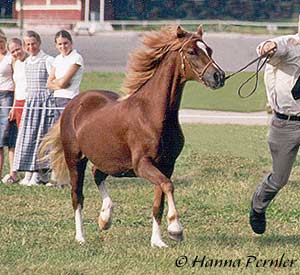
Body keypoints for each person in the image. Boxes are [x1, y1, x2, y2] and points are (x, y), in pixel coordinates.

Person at [249, 31, 300, 234]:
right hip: (286, 124)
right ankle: (258, 205)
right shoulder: (290, 44)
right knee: (279, 178)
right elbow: (271, 46)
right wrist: (266, 47)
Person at [13, 30, 54, 186]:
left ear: (39, 43)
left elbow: (52, 83)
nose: (31, 47)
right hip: (31, 103)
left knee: (40, 138)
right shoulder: (27, 62)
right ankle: (29, 173)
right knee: (28, 138)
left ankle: (39, 174)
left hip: (43, 104)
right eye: (28, 44)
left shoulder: (47, 60)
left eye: (33, 43)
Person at [7, 37, 31, 185]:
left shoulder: (30, 61)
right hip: (19, 103)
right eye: (13, 51)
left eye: (18, 49)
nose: (16, 52)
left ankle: (31, 173)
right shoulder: (15, 64)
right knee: (18, 138)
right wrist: (14, 106)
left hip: (29, 102)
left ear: (23, 46)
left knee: (29, 137)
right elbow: (17, 86)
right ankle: (14, 172)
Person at [47, 30, 84, 121]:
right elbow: (48, 84)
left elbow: (64, 82)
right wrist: (60, 83)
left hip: (69, 98)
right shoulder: (58, 59)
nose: (63, 47)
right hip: (56, 98)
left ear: (71, 42)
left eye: (65, 43)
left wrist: (58, 82)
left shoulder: (76, 58)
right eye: (60, 44)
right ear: (56, 45)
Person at [0, 29, 18, 184]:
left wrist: (14, 104)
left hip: (7, 96)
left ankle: (13, 172)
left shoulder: (10, 57)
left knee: (8, 135)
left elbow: (17, 79)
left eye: (1, 41)